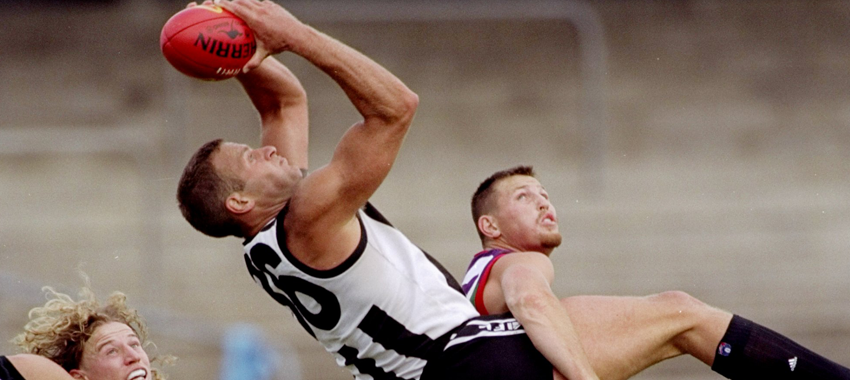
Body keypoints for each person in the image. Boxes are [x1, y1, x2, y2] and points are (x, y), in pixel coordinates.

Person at [177, 0, 598, 379]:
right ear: (240, 201)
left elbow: (282, 104)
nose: (267, 150)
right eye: (251, 157)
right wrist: (293, 35)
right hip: (458, 361)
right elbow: (395, 108)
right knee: (652, 317)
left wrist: (231, 34)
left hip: (426, 368)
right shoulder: (307, 215)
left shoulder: (267, 238)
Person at [463, 165, 850, 380]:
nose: (544, 202)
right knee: (681, 313)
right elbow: (530, 299)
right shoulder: (517, 262)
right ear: (490, 227)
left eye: (545, 194)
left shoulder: (478, 279)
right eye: (524, 197)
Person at [9, 283, 168, 380]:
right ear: (79, 378)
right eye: (112, 351)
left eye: (134, 345)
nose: (134, 357)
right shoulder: (33, 368)